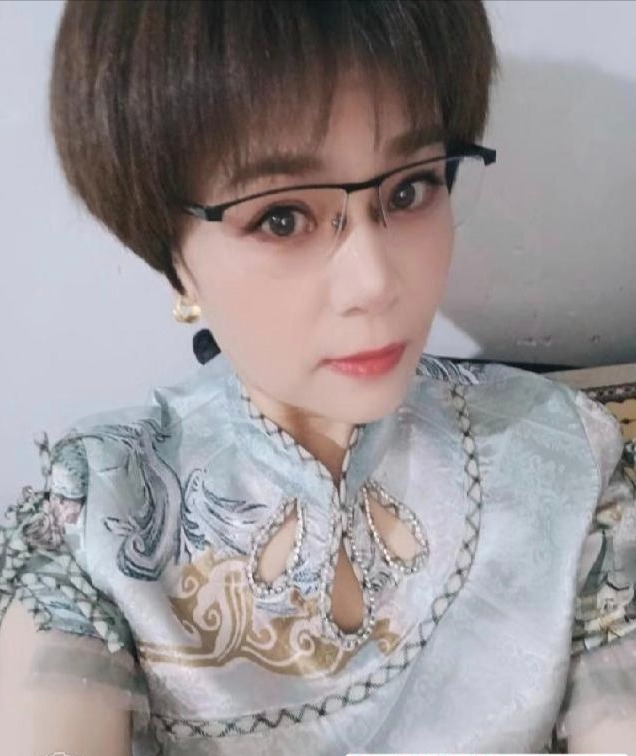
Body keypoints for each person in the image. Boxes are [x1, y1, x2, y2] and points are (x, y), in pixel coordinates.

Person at [1, 1, 635, 754]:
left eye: (409, 189)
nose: (375, 283)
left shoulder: (562, 459)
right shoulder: (100, 511)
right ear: (172, 255)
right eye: (281, 217)